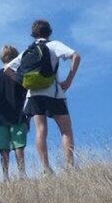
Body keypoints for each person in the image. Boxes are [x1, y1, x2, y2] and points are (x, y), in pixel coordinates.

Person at [6, 19, 81, 174]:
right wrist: (68, 81)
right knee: (66, 131)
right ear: (49, 32)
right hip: (54, 93)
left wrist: (24, 83)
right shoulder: (53, 45)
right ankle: (69, 167)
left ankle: (46, 169)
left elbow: (7, 69)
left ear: (33, 34)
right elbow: (76, 56)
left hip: (33, 95)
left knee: (41, 131)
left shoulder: (28, 51)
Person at [0, 46, 27, 181]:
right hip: (18, 115)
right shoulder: (19, 76)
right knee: (19, 145)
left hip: (1, 118)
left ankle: (5, 176)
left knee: (4, 148)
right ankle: (22, 173)